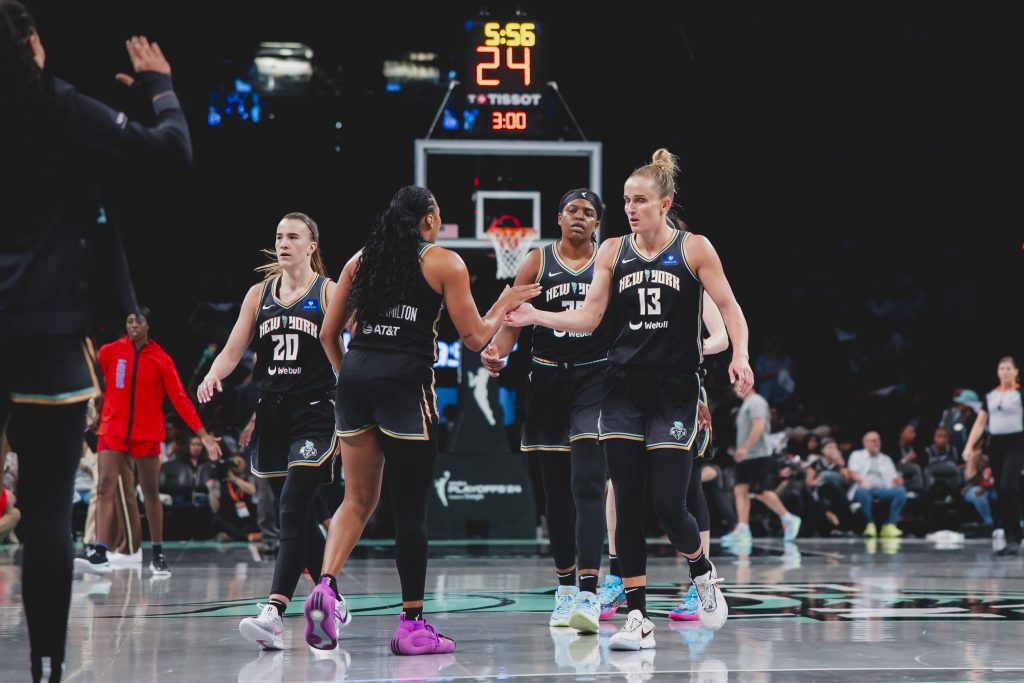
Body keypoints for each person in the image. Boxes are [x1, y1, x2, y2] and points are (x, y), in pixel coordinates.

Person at [1, 2, 191, 678]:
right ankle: (48, 669)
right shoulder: (62, 109)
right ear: (31, 45)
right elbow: (171, 150)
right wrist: (158, 87)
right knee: (49, 518)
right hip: (46, 335)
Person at [505, 149, 754, 650]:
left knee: (668, 505)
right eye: (625, 201)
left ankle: (702, 572)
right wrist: (537, 317)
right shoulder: (612, 251)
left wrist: (740, 356)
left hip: (674, 390)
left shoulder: (694, 248)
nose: (630, 209)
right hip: (621, 389)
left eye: (640, 200)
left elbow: (729, 308)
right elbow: (589, 317)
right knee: (625, 502)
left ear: (664, 204)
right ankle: (638, 618)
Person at [304, 185, 540, 655]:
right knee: (410, 512)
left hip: (354, 382)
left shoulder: (360, 261)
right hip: (403, 387)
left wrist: (348, 377)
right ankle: (411, 624)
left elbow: (328, 334)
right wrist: (506, 300)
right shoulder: (444, 263)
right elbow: (475, 338)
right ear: (429, 220)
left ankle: (326, 587)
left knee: (356, 500)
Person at [197, 212, 341, 649]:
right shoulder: (258, 295)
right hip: (273, 415)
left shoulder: (328, 292)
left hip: (315, 412)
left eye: (293, 236)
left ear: (312, 246)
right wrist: (213, 374)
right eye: (279, 236)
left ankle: (274, 613)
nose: (283, 243)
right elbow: (233, 350)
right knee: (298, 516)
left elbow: (351, 351)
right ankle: (333, 597)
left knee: (291, 511)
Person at [480, 189, 610, 634]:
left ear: (597, 223)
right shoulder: (536, 261)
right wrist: (497, 352)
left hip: (595, 379)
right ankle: (565, 590)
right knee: (556, 494)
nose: (579, 217)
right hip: (548, 380)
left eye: (588, 212)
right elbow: (512, 321)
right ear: (558, 217)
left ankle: (589, 593)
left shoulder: (607, 262)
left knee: (588, 483)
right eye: (572, 210)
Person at [76, 309, 221, 576]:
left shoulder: (160, 358)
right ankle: (100, 551)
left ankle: (157, 553)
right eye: (129, 321)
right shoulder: (110, 352)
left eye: (138, 321)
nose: (133, 326)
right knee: (105, 485)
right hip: (113, 428)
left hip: (147, 433)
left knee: (151, 491)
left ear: (148, 325)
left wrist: (203, 435)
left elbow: (179, 399)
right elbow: (93, 384)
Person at [719, 383, 802, 544]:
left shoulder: (756, 401)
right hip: (747, 456)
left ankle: (788, 518)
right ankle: (743, 529)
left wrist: (745, 447)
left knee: (760, 491)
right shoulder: (747, 403)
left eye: (738, 386)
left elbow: (759, 425)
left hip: (757, 454)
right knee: (740, 489)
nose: (735, 390)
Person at [963, 356, 1024, 556]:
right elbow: (980, 423)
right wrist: (969, 446)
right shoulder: (990, 395)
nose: (1005, 372)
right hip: (996, 444)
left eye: (1009, 368)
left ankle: (1015, 536)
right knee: (1000, 490)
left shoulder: (1020, 394)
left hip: (1017, 442)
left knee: (1009, 485)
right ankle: (1006, 533)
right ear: (997, 372)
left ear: (1016, 372)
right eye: (1002, 368)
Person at [847, 431, 906, 538]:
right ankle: (870, 525)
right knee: (862, 491)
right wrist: (862, 481)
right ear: (865, 443)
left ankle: (890, 525)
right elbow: (852, 473)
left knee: (900, 491)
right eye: (873, 441)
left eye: (878, 440)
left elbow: (893, 478)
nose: (877, 443)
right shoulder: (857, 455)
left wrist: (898, 481)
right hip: (864, 489)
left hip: (882, 490)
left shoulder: (886, 459)